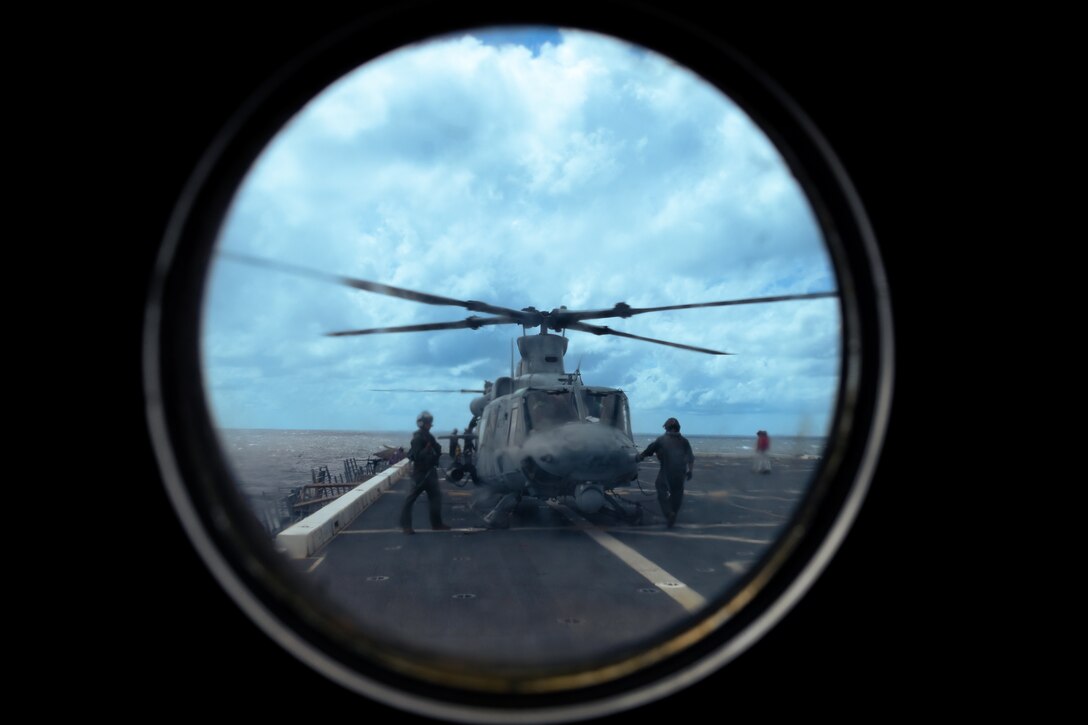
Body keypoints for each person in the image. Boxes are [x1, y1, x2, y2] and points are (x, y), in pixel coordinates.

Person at [400, 411, 451, 534]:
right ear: (423, 424)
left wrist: (434, 451)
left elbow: (437, 448)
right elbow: (417, 456)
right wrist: (427, 449)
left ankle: (437, 524)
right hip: (421, 473)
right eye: (428, 423)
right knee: (410, 499)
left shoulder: (428, 436)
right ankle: (406, 526)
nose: (429, 425)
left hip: (430, 473)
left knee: (436, 498)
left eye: (430, 423)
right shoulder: (417, 438)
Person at [637, 417, 694, 528]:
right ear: (677, 428)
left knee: (661, 489)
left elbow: (650, 450)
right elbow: (690, 458)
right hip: (680, 473)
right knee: (677, 494)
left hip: (666, 471)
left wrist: (640, 457)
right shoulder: (684, 441)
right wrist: (690, 471)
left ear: (667, 428)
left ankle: (669, 513)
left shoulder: (662, 439)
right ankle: (673, 514)